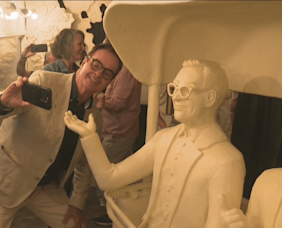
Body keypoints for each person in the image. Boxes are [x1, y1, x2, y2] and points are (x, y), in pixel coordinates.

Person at [64, 59, 246, 227]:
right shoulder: (164, 139)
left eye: (186, 90)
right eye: (174, 88)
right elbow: (109, 178)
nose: (176, 97)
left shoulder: (227, 161)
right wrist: (89, 137)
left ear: (210, 98)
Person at [0, 43, 123, 228]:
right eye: (96, 64)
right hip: (3, 180)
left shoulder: (94, 117)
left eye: (107, 73)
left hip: (44, 189)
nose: (99, 74)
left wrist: (77, 202)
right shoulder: (45, 80)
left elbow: (85, 163)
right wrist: (3, 103)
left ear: (111, 81)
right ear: (84, 62)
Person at [93, 65, 142, 226]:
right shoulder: (122, 70)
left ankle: (114, 214)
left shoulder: (128, 71)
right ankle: (114, 212)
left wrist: (98, 97)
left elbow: (118, 103)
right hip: (115, 131)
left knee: (110, 175)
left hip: (119, 132)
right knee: (116, 174)